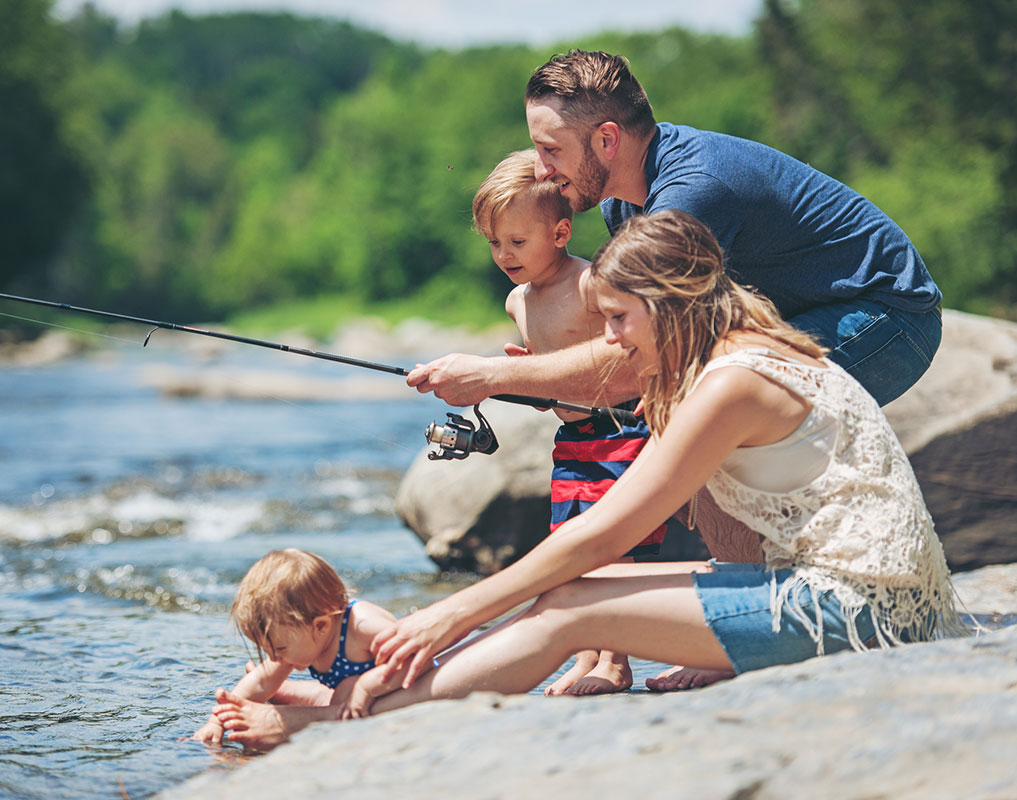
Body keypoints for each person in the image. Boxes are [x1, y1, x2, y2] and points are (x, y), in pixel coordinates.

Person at [210, 211, 965, 750]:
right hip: (858, 593)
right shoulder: (747, 349)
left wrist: (450, 616)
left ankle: (333, 719)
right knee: (570, 592)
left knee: (570, 608)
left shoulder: (730, 383)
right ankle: (383, 694)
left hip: (860, 614)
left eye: (617, 319)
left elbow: (604, 532)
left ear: (668, 304)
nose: (608, 340)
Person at [407, 50, 942, 412]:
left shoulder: (690, 196)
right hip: (796, 317)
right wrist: (547, 368)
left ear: (607, 140)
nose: (543, 170)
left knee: (716, 402)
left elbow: (642, 357)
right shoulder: (623, 203)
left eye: (551, 149)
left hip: (888, 317)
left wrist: (493, 377)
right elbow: (637, 339)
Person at [473, 148, 666, 695]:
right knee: (572, 549)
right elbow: (553, 379)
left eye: (517, 241)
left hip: (623, 431)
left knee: (614, 547)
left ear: (560, 233)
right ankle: (585, 656)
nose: (504, 254)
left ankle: (616, 661)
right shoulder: (517, 301)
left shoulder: (591, 284)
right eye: (494, 242)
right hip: (573, 438)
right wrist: (529, 380)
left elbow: (632, 349)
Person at [194, 548, 431, 746]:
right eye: (267, 651)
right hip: (347, 696)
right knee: (335, 692)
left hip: (409, 688)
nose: (273, 658)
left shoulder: (363, 626)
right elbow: (261, 680)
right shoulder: (301, 635)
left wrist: (367, 687)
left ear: (320, 626)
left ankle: (295, 695)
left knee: (346, 690)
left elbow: (422, 659)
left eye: (280, 649)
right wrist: (217, 722)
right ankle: (285, 691)